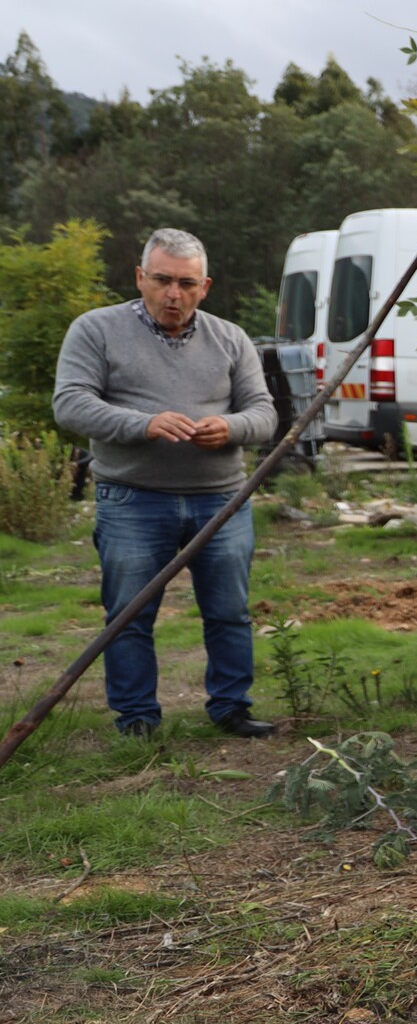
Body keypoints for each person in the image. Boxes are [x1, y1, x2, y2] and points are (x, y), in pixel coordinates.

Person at [51, 227, 278, 738]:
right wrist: (144, 423)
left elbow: (264, 414)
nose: (173, 294)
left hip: (222, 500)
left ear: (205, 286)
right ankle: (137, 718)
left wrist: (231, 428)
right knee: (129, 615)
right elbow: (70, 403)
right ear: (140, 277)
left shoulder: (230, 337)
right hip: (132, 498)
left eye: (187, 284)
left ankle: (231, 708)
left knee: (229, 611)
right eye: (162, 280)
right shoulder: (96, 329)